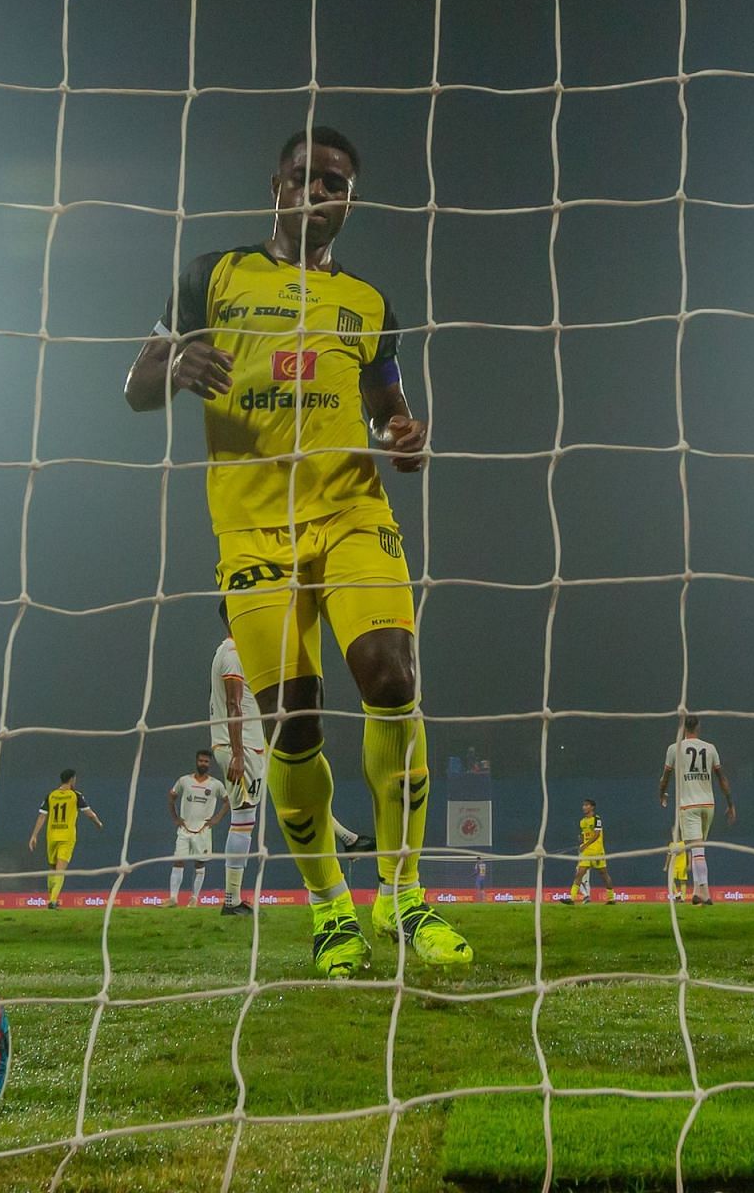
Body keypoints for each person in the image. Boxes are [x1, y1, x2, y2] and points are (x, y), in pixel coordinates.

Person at [126, 125, 470, 976]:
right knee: (292, 720)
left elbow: (394, 412)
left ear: (351, 198)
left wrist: (407, 437)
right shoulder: (214, 275)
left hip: (352, 511)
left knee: (393, 676)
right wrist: (173, 365)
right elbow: (133, 386)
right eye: (307, 178)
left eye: (338, 182)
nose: (322, 192)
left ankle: (404, 895)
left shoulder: (371, 304)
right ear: (275, 186)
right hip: (252, 529)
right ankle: (329, 913)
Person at [211, 604, 373, 917]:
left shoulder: (231, 651)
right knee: (244, 819)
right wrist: (237, 754)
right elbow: (233, 706)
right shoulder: (233, 654)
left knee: (298, 790)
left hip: (253, 745)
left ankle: (348, 838)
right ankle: (231, 901)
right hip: (242, 749)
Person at [658, 715, 736, 906]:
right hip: (709, 804)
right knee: (697, 849)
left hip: (688, 805)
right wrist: (730, 803)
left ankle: (706, 893)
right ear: (698, 727)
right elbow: (722, 779)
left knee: (697, 850)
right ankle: (696, 892)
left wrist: (662, 794)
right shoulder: (710, 748)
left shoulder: (673, 748)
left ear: (683, 727)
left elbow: (665, 777)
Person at [28, 769, 103, 909]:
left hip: (51, 836)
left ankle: (50, 899)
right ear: (72, 779)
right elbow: (89, 813)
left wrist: (34, 835)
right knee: (60, 870)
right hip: (66, 836)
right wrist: (98, 822)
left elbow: (42, 816)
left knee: (51, 868)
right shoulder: (75, 795)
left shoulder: (51, 795)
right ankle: (53, 901)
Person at [170, 751, 229, 907]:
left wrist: (217, 818)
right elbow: (172, 796)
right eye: (201, 761)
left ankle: (194, 899)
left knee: (199, 864)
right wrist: (175, 817)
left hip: (203, 830)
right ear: (196, 762)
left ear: (209, 764)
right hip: (184, 829)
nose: (203, 764)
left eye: (206, 762)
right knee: (178, 862)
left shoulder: (216, 784)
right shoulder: (184, 781)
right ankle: (173, 899)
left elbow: (228, 801)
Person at [558, 799, 614, 904]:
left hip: (597, 852)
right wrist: (582, 841)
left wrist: (585, 845)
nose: (584, 807)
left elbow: (597, 834)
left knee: (604, 874)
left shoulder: (597, 819)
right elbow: (585, 836)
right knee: (579, 874)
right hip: (586, 853)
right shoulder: (582, 822)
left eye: (586, 805)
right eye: (583, 805)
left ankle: (611, 898)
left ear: (592, 807)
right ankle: (572, 898)